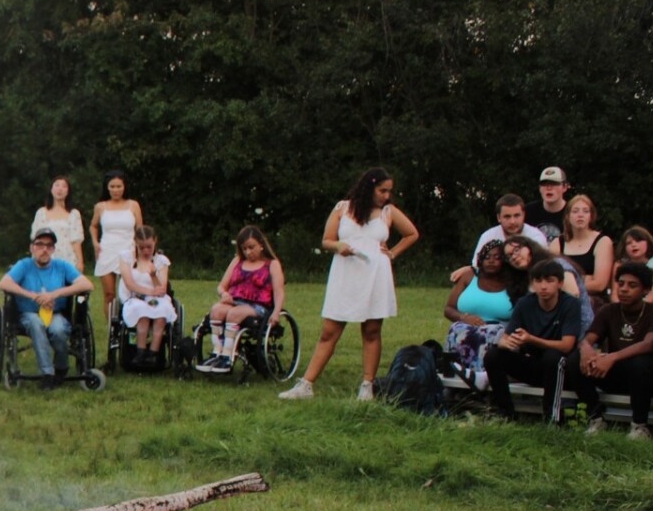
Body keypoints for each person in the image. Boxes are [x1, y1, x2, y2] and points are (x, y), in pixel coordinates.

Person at [280, 168, 419, 401]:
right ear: (369, 186)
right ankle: (306, 385)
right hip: (345, 274)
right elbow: (327, 240)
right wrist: (338, 247)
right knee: (329, 331)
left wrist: (392, 254)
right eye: (382, 190)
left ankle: (367, 386)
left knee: (372, 331)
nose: (387, 195)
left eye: (389, 191)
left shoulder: (388, 212)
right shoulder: (343, 208)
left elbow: (412, 234)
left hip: (375, 274)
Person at [482, 256, 580, 423]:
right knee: (493, 356)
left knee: (552, 357)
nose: (543, 286)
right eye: (538, 281)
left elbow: (567, 345)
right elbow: (505, 338)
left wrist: (531, 339)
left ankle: (551, 418)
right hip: (534, 364)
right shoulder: (525, 303)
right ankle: (506, 414)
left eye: (549, 281)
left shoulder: (570, 304)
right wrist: (507, 343)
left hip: (562, 369)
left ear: (560, 284)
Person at [575, 262, 653, 439]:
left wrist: (612, 357)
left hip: (643, 378)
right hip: (612, 373)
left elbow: (649, 344)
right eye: (620, 283)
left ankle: (639, 426)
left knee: (641, 362)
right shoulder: (609, 310)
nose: (623, 289)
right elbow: (588, 339)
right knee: (573, 360)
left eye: (632, 285)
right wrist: (586, 350)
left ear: (645, 290)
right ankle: (596, 419)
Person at [1, 229, 93, 390]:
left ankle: (61, 367)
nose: (44, 249)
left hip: (55, 313)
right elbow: (4, 284)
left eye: (49, 246)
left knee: (58, 330)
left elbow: (87, 284)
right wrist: (32, 296)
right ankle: (47, 373)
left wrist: (55, 294)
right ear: (32, 248)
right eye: (40, 245)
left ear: (53, 249)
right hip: (28, 313)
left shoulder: (62, 266)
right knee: (36, 324)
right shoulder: (23, 265)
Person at [200, 226, 285, 373]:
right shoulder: (237, 261)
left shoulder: (272, 264)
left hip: (259, 306)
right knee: (216, 310)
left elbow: (279, 292)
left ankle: (227, 355)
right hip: (235, 301)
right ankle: (217, 352)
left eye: (251, 247)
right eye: (244, 248)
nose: (248, 252)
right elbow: (222, 286)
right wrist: (224, 294)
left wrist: (276, 312)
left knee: (234, 314)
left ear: (261, 244)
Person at [443, 239, 519, 383]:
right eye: (487, 257)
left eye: (497, 258)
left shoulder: (514, 281)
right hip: (466, 326)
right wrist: (463, 317)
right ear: (480, 259)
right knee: (457, 329)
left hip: (500, 331)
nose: (491, 261)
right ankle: (457, 375)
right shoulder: (468, 277)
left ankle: (481, 377)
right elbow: (448, 309)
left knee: (491, 334)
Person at [117, 225, 175, 369]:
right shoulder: (126, 258)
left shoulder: (161, 261)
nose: (146, 251)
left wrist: (153, 275)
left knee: (161, 312)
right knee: (141, 311)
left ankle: (153, 353)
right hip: (133, 296)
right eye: (142, 247)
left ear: (155, 242)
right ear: (136, 243)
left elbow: (161, 288)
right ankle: (140, 351)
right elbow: (129, 284)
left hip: (155, 298)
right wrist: (149, 292)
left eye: (149, 247)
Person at [89, 171, 142, 305]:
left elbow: (140, 229)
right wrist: (95, 243)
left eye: (119, 186)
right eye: (112, 186)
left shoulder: (133, 205)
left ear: (124, 187)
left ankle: (128, 322)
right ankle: (110, 325)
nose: (116, 190)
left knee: (129, 292)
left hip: (128, 251)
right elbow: (93, 226)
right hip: (107, 251)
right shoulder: (101, 207)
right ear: (107, 187)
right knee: (109, 294)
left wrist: (140, 250)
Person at [557, 193, 614, 315]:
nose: (580, 215)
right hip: (563, 300)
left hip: (595, 301)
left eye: (585, 211)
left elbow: (600, 284)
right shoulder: (557, 243)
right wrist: (586, 278)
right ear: (568, 216)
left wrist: (569, 284)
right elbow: (551, 278)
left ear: (591, 216)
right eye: (575, 211)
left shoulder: (603, 241)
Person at [470, 193, 546, 267]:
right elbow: (476, 266)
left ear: (523, 215)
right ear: (499, 218)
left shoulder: (536, 236)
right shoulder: (488, 237)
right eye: (507, 217)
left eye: (516, 216)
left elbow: (542, 266)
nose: (512, 221)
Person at [32, 176, 86, 275]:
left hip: (67, 257)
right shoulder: (41, 213)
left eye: (64, 186)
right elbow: (35, 238)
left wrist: (80, 262)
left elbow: (76, 241)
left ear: (68, 191)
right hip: (45, 256)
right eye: (57, 185)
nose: (60, 189)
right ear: (51, 189)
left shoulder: (74, 214)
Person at [621, 227, 653, 304]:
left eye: (638, 241)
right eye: (629, 243)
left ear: (648, 243)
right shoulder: (621, 265)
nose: (633, 245)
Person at [531, 166, 571, 246]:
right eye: (544, 184)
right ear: (539, 188)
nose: (549, 187)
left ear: (565, 187)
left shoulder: (573, 212)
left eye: (554, 183)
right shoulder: (529, 212)